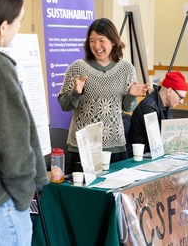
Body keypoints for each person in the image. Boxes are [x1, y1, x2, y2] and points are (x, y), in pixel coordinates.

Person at [0, 0, 49, 245]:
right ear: (2, 27)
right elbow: (11, 143)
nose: (19, 28)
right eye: (19, 21)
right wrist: (23, 194)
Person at [58, 18, 149, 174]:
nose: (97, 46)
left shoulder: (126, 69)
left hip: (114, 145)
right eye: (92, 41)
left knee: (112, 193)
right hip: (83, 146)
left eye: (102, 40)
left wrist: (132, 96)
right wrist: (75, 93)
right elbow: (65, 105)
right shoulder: (77, 67)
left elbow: (128, 108)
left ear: (113, 42)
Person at [128, 71, 188, 155]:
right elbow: (156, 141)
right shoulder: (148, 107)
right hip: (142, 156)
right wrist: (182, 143)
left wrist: (187, 140)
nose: (181, 101)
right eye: (180, 97)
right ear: (169, 91)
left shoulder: (166, 105)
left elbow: (168, 135)